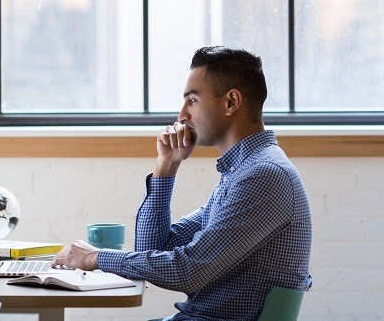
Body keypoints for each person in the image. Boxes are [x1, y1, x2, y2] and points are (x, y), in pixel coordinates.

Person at [52, 46, 312, 320]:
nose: (181, 115)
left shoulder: (262, 175)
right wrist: (167, 165)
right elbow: (152, 250)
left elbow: (189, 271)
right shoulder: (241, 172)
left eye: (192, 100)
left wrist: (96, 258)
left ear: (231, 102)